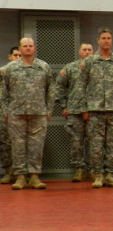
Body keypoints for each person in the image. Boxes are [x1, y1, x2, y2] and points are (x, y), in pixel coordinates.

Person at [78, 27, 113, 188]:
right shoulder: (89, 62)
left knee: (112, 143)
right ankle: (98, 175)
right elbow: (81, 85)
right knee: (96, 143)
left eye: (109, 38)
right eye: (103, 38)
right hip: (95, 108)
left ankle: (110, 174)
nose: (106, 41)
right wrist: (83, 108)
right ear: (98, 40)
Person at [0, 37, 53, 190]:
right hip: (16, 113)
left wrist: (48, 110)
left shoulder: (44, 67)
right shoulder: (10, 68)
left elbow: (51, 90)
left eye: (30, 46)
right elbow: (4, 92)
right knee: (17, 146)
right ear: (20, 48)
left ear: (34, 48)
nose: (28, 48)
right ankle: (20, 177)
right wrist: (5, 112)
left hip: (38, 113)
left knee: (36, 145)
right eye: (25, 46)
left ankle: (34, 176)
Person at [55, 43, 93, 182]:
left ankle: (92, 170)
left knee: (94, 143)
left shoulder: (97, 68)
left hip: (94, 111)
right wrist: (64, 106)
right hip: (74, 110)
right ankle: (78, 170)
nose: (87, 52)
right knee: (76, 142)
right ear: (79, 51)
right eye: (84, 50)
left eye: (89, 50)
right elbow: (59, 86)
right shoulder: (70, 68)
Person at [0, 46, 20, 184]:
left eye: (19, 55)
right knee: (5, 143)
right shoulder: (2, 72)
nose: (17, 58)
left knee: (22, 144)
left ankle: (22, 173)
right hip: (4, 113)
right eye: (15, 55)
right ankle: (8, 172)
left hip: (21, 113)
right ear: (10, 57)